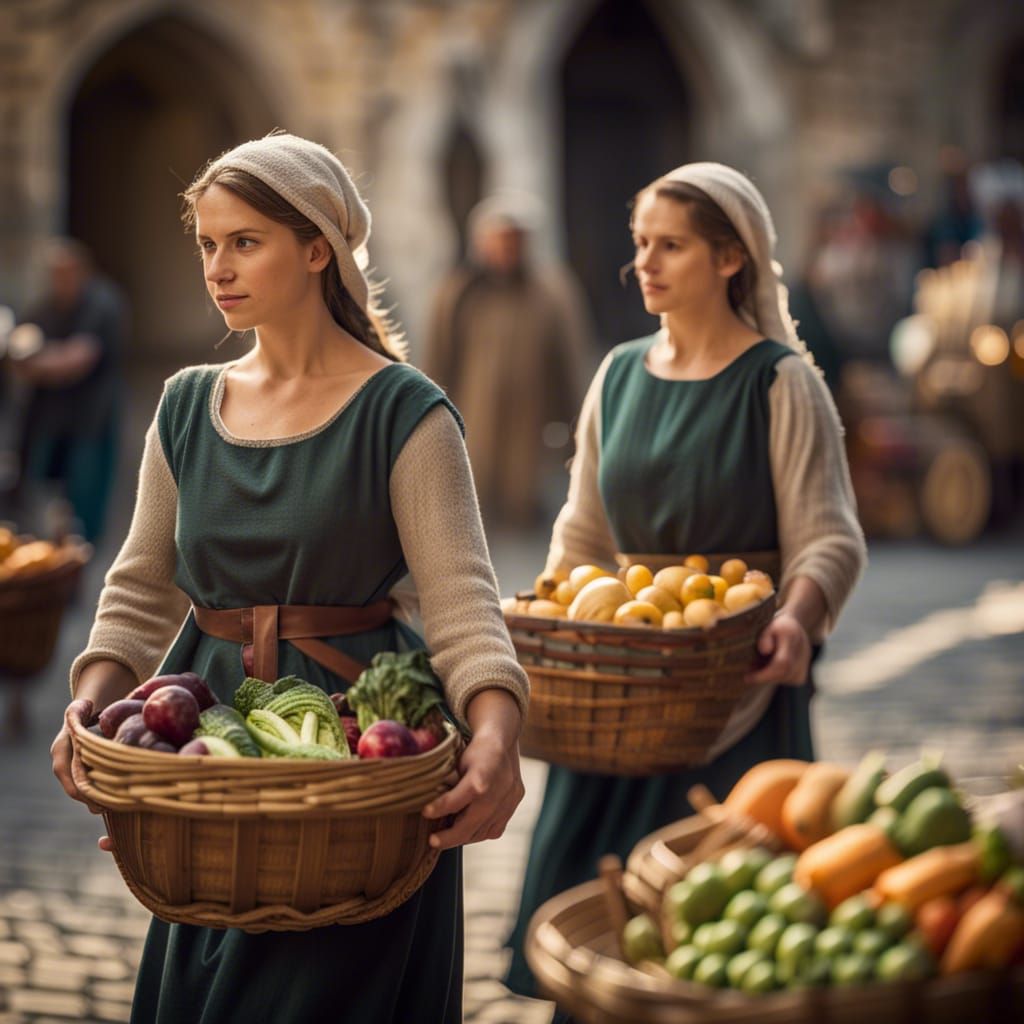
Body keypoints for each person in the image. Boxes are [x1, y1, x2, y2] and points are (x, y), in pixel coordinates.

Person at [49, 132, 529, 1023]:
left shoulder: (405, 410)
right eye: (206, 243)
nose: (217, 268)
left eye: (245, 242)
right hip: (204, 744)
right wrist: (92, 704)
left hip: (362, 756)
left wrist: (497, 735)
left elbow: (463, 606)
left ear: (319, 249)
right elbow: (140, 584)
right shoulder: (188, 402)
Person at [504, 163, 867, 1008]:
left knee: (719, 949)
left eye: (671, 246)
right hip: (614, 692)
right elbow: (583, 530)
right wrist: (556, 623)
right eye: (641, 246)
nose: (647, 265)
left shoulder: (780, 382)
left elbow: (829, 536)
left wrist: (798, 621)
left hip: (731, 695)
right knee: (597, 948)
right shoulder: (618, 375)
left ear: (731, 258)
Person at [425, 193, 592, 527]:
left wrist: (576, 428)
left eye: (513, 243)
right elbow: (438, 360)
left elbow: (569, 364)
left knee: (525, 507)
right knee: (475, 510)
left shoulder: (552, 293)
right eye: (497, 242)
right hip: (475, 420)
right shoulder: (459, 293)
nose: (505, 251)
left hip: (531, 424)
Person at [8, 238, 125, 543]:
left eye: (65, 273)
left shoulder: (103, 303)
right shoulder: (47, 306)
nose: (59, 281)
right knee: (45, 486)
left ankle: (83, 555)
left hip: (91, 415)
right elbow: (18, 348)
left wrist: (40, 363)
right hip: (50, 415)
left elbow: (76, 360)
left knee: (87, 493)